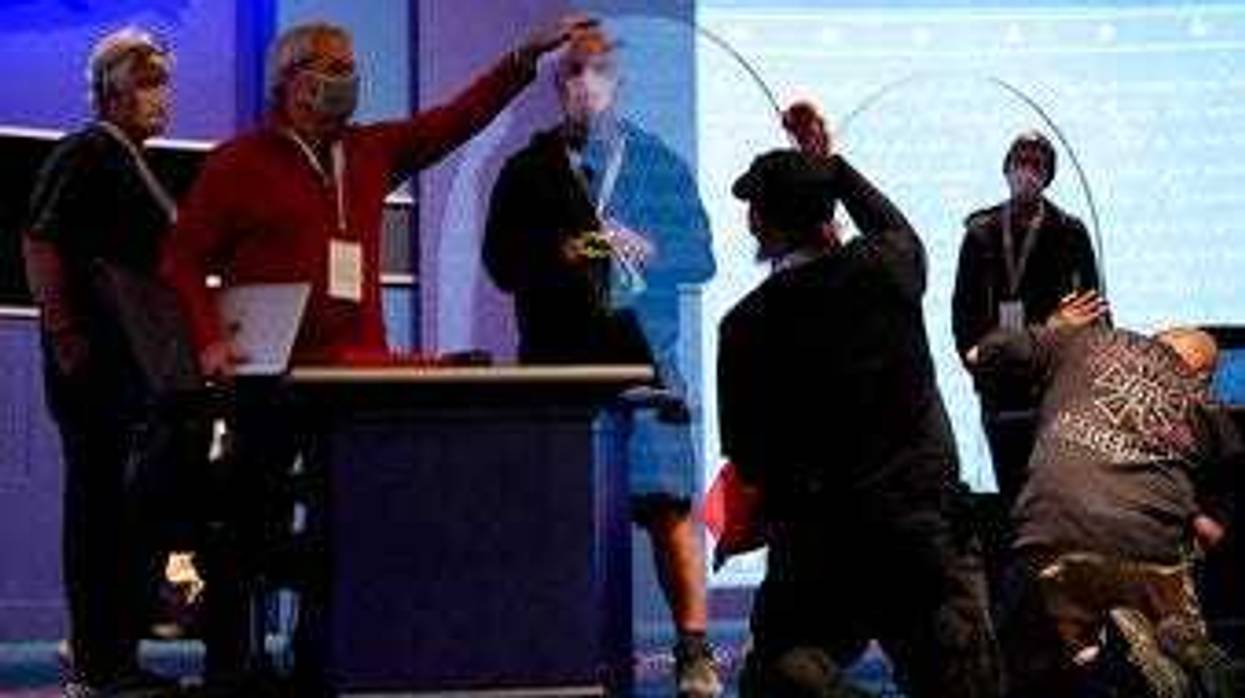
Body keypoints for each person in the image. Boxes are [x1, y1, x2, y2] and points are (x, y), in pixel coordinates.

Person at [161, 17, 589, 693]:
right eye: (335, 66)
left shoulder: (371, 150)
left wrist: (522, 57)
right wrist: (208, 339)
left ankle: (325, 658)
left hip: (358, 378)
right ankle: (231, 670)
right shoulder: (237, 163)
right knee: (248, 529)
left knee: (352, 527)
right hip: (269, 376)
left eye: (351, 65)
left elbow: (457, 119)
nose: (349, 80)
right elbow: (182, 260)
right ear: (293, 82)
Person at [718, 103, 1001, 698]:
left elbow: (749, 455)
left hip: (819, 543)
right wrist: (834, 167)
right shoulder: (889, 268)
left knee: (782, 676)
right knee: (961, 679)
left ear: (759, 226)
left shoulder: (745, 326)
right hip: (921, 533)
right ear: (828, 215)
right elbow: (891, 225)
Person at [481, 26, 720, 697]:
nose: (584, 85)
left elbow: (700, 258)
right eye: (572, 74)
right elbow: (500, 265)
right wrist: (559, 255)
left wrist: (648, 248)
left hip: (646, 363)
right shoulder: (528, 170)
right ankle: (556, 644)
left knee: (670, 507)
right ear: (557, 87)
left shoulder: (657, 163)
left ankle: (693, 649)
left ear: (618, 82)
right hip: (558, 368)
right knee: (557, 514)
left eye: (596, 72)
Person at [23, 27, 206, 697]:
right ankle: (102, 661)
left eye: (165, 80)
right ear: (110, 90)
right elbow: (42, 242)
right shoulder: (87, 152)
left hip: (135, 370)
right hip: (95, 368)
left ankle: (114, 654)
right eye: (148, 80)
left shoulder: (134, 161)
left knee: (127, 513)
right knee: (100, 511)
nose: (162, 94)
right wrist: (67, 333)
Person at [967, 303, 1242, 697]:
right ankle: (1141, 657)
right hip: (1144, 553)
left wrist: (1052, 326)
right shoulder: (1210, 410)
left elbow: (981, 355)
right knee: (1171, 627)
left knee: (1022, 655)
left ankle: (1090, 658)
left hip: (1049, 533)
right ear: (1203, 376)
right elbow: (1214, 533)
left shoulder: (1085, 341)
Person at [952, 131, 1101, 507]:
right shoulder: (980, 233)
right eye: (1021, 160)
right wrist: (974, 361)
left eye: (1037, 163)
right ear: (1006, 168)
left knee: (1053, 492)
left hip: (1053, 381)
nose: (1027, 170)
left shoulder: (1069, 231)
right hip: (1000, 380)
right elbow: (962, 313)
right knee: (1012, 495)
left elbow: (1095, 309)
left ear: (1048, 174)